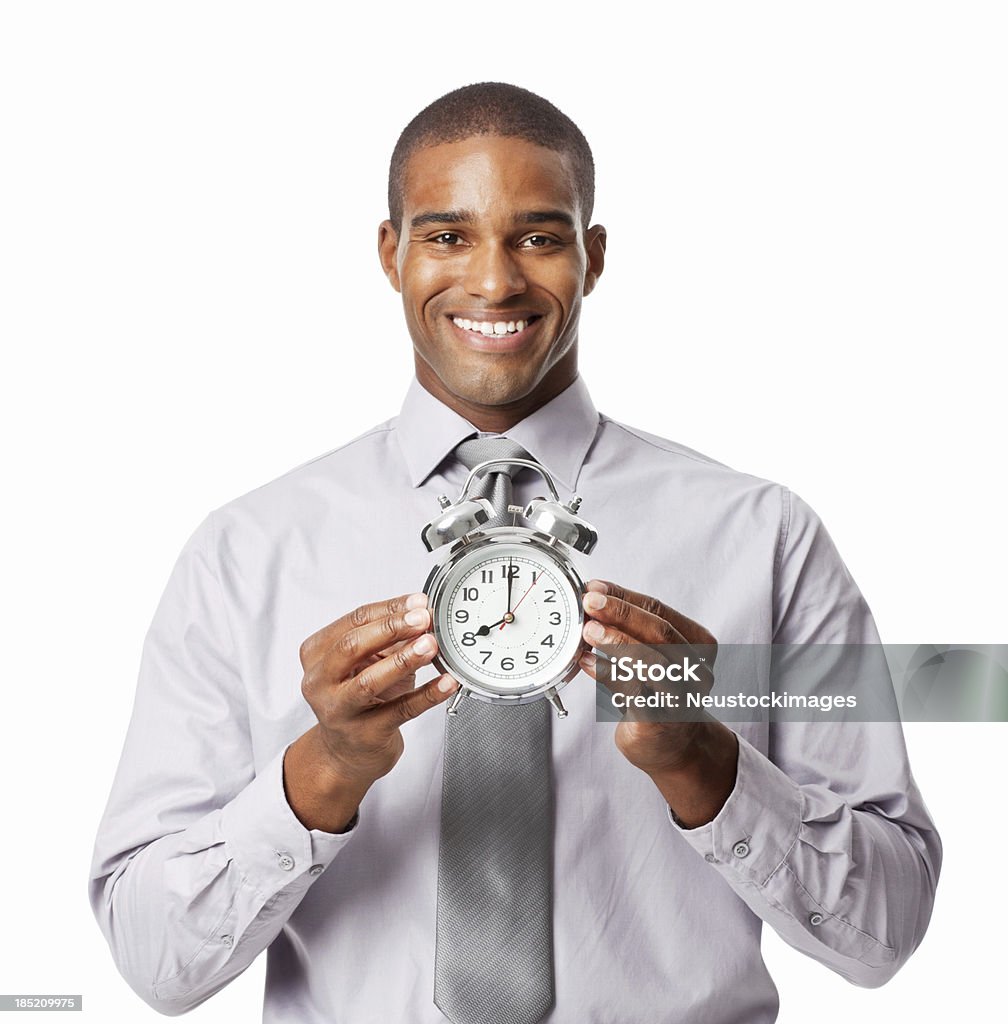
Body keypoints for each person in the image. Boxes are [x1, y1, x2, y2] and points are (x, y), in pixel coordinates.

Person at [89, 82, 941, 1023]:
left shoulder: (763, 537)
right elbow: (154, 961)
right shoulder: (248, 553)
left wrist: (703, 757)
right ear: (391, 253)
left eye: (538, 236)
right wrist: (324, 766)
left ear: (594, 255)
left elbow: (888, 932)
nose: (494, 282)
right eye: (447, 236)